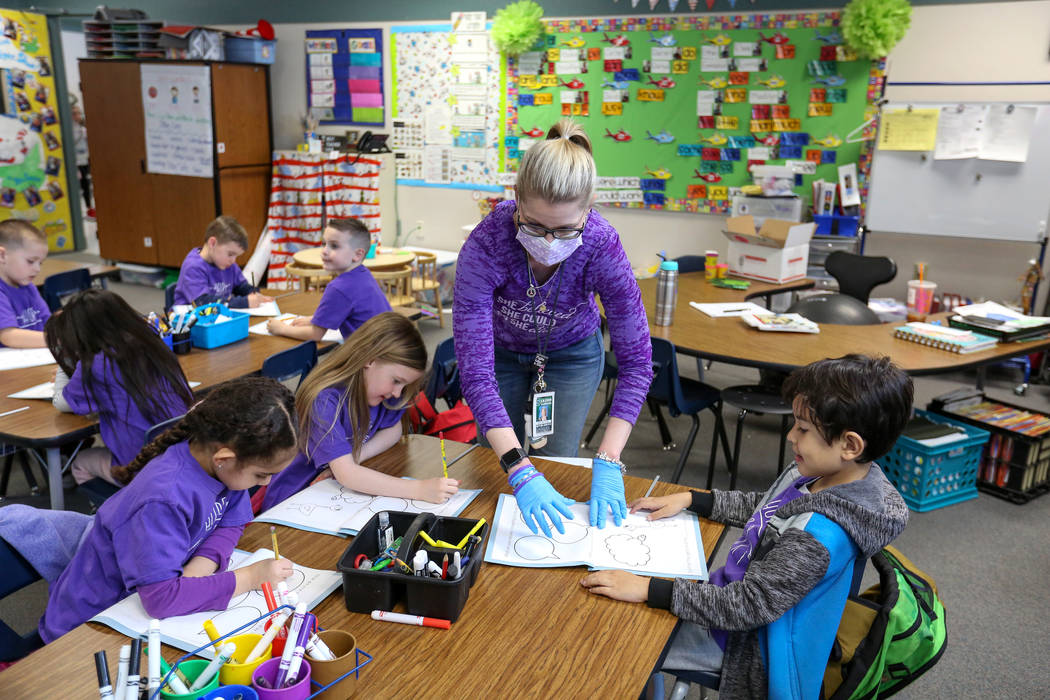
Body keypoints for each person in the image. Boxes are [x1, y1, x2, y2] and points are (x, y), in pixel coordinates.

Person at [580, 354, 912, 698]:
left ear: (850, 445)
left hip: (739, 641)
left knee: (617, 632)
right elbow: (770, 505)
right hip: (723, 601)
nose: (790, 436)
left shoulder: (820, 534)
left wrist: (651, 590)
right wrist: (696, 500)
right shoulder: (822, 474)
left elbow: (747, 605)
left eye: (803, 429)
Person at [453, 118, 652, 536]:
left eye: (564, 230)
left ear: (588, 209)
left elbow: (636, 363)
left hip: (571, 354)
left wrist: (609, 458)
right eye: (534, 226)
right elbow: (476, 373)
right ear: (517, 200)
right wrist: (516, 468)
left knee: (559, 462)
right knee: (495, 463)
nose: (548, 241)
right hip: (501, 356)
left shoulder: (601, 244)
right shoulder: (487, 243)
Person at [39, 376, 299, 643]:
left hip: (142, 611)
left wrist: (199, 570)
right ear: (224, 459)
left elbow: (231, 522)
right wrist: (249, 577)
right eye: (262, 475)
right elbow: (161, 600)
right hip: (89, 627)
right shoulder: (163, 498)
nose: (266, 483)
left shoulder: (223, 471)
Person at [259, 312, 457, 511]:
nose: (397, 393)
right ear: (369, 360)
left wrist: (354, 456)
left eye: (404, 386)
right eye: (396, 381)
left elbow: (393, 429)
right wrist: (419, 489)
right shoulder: (325, 400)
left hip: (332, 496)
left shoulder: (380, 394)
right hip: (293, 503)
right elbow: (348, 475)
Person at [46, 288, 194, 486]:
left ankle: (115, 513)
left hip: (142, 466)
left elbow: (62, 403)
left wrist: (67, 360)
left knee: (80, 462)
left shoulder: (94, 364)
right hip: (185, 454)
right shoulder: (151, 338)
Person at [267, 218, 389, 341]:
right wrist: (315, 319)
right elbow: (349, 311)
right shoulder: (363, 274)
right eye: (324, 244)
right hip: (391, 346)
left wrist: (281, 328)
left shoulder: (339, 288)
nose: (324, 251)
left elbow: (315, 334)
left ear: (357, 255)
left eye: (334, 246)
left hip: (374, 355)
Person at [174, 215, 267, 308]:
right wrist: (244, 302)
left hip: (218, 318)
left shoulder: (227, 264)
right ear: (213, 243)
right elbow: (202, 302)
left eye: (236, 256)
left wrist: (252, 292)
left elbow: (241, 286)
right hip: (189, 318)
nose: (233, 261)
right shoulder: (193, 267)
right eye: (230, 254)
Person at [0, 219, 49, 348]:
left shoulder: (28, 287)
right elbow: (9, 336)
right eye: (30, 261)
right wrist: (57, 339)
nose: (37, 269)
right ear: (2, 255)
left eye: (40, 263)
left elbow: (48, 323)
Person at [70, 98, 93, 218]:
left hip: (85, 160)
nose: (77, 115)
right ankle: (76, 212)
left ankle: (89, 208)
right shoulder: (69, 129)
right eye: (74, 113)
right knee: (76, 187)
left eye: (79, 113)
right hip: (74, 162)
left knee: (86, 185)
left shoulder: (83, 128)